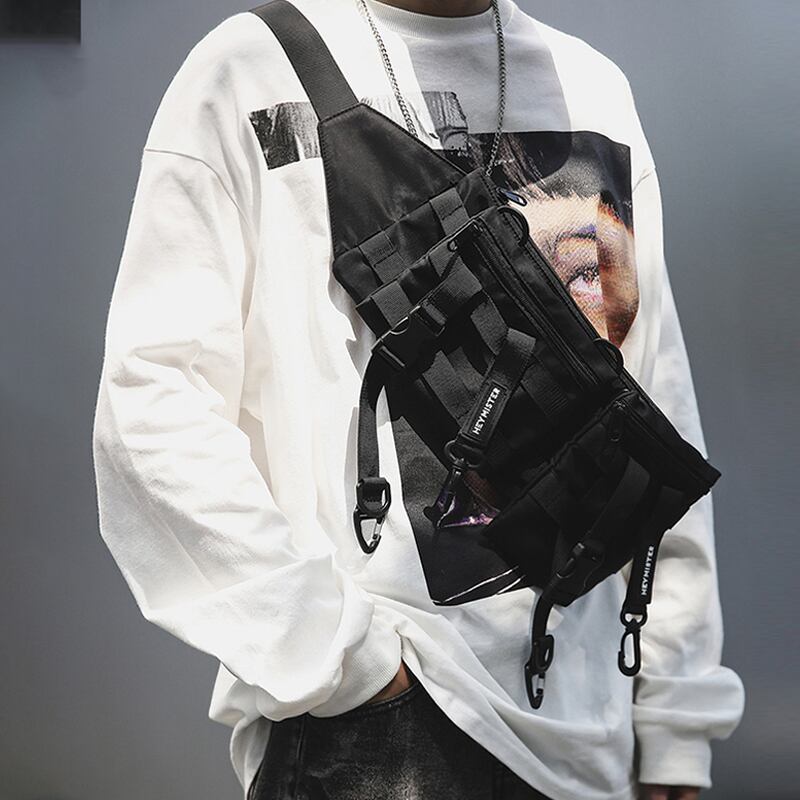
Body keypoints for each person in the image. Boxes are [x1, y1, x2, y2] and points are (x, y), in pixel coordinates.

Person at [91, 1, 745, 799]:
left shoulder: (593, 89)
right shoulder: (253, 69)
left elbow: (649, 405)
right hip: (373, 730)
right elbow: (153, 402)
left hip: (588, 734)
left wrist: (675, 712)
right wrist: (344, 659)